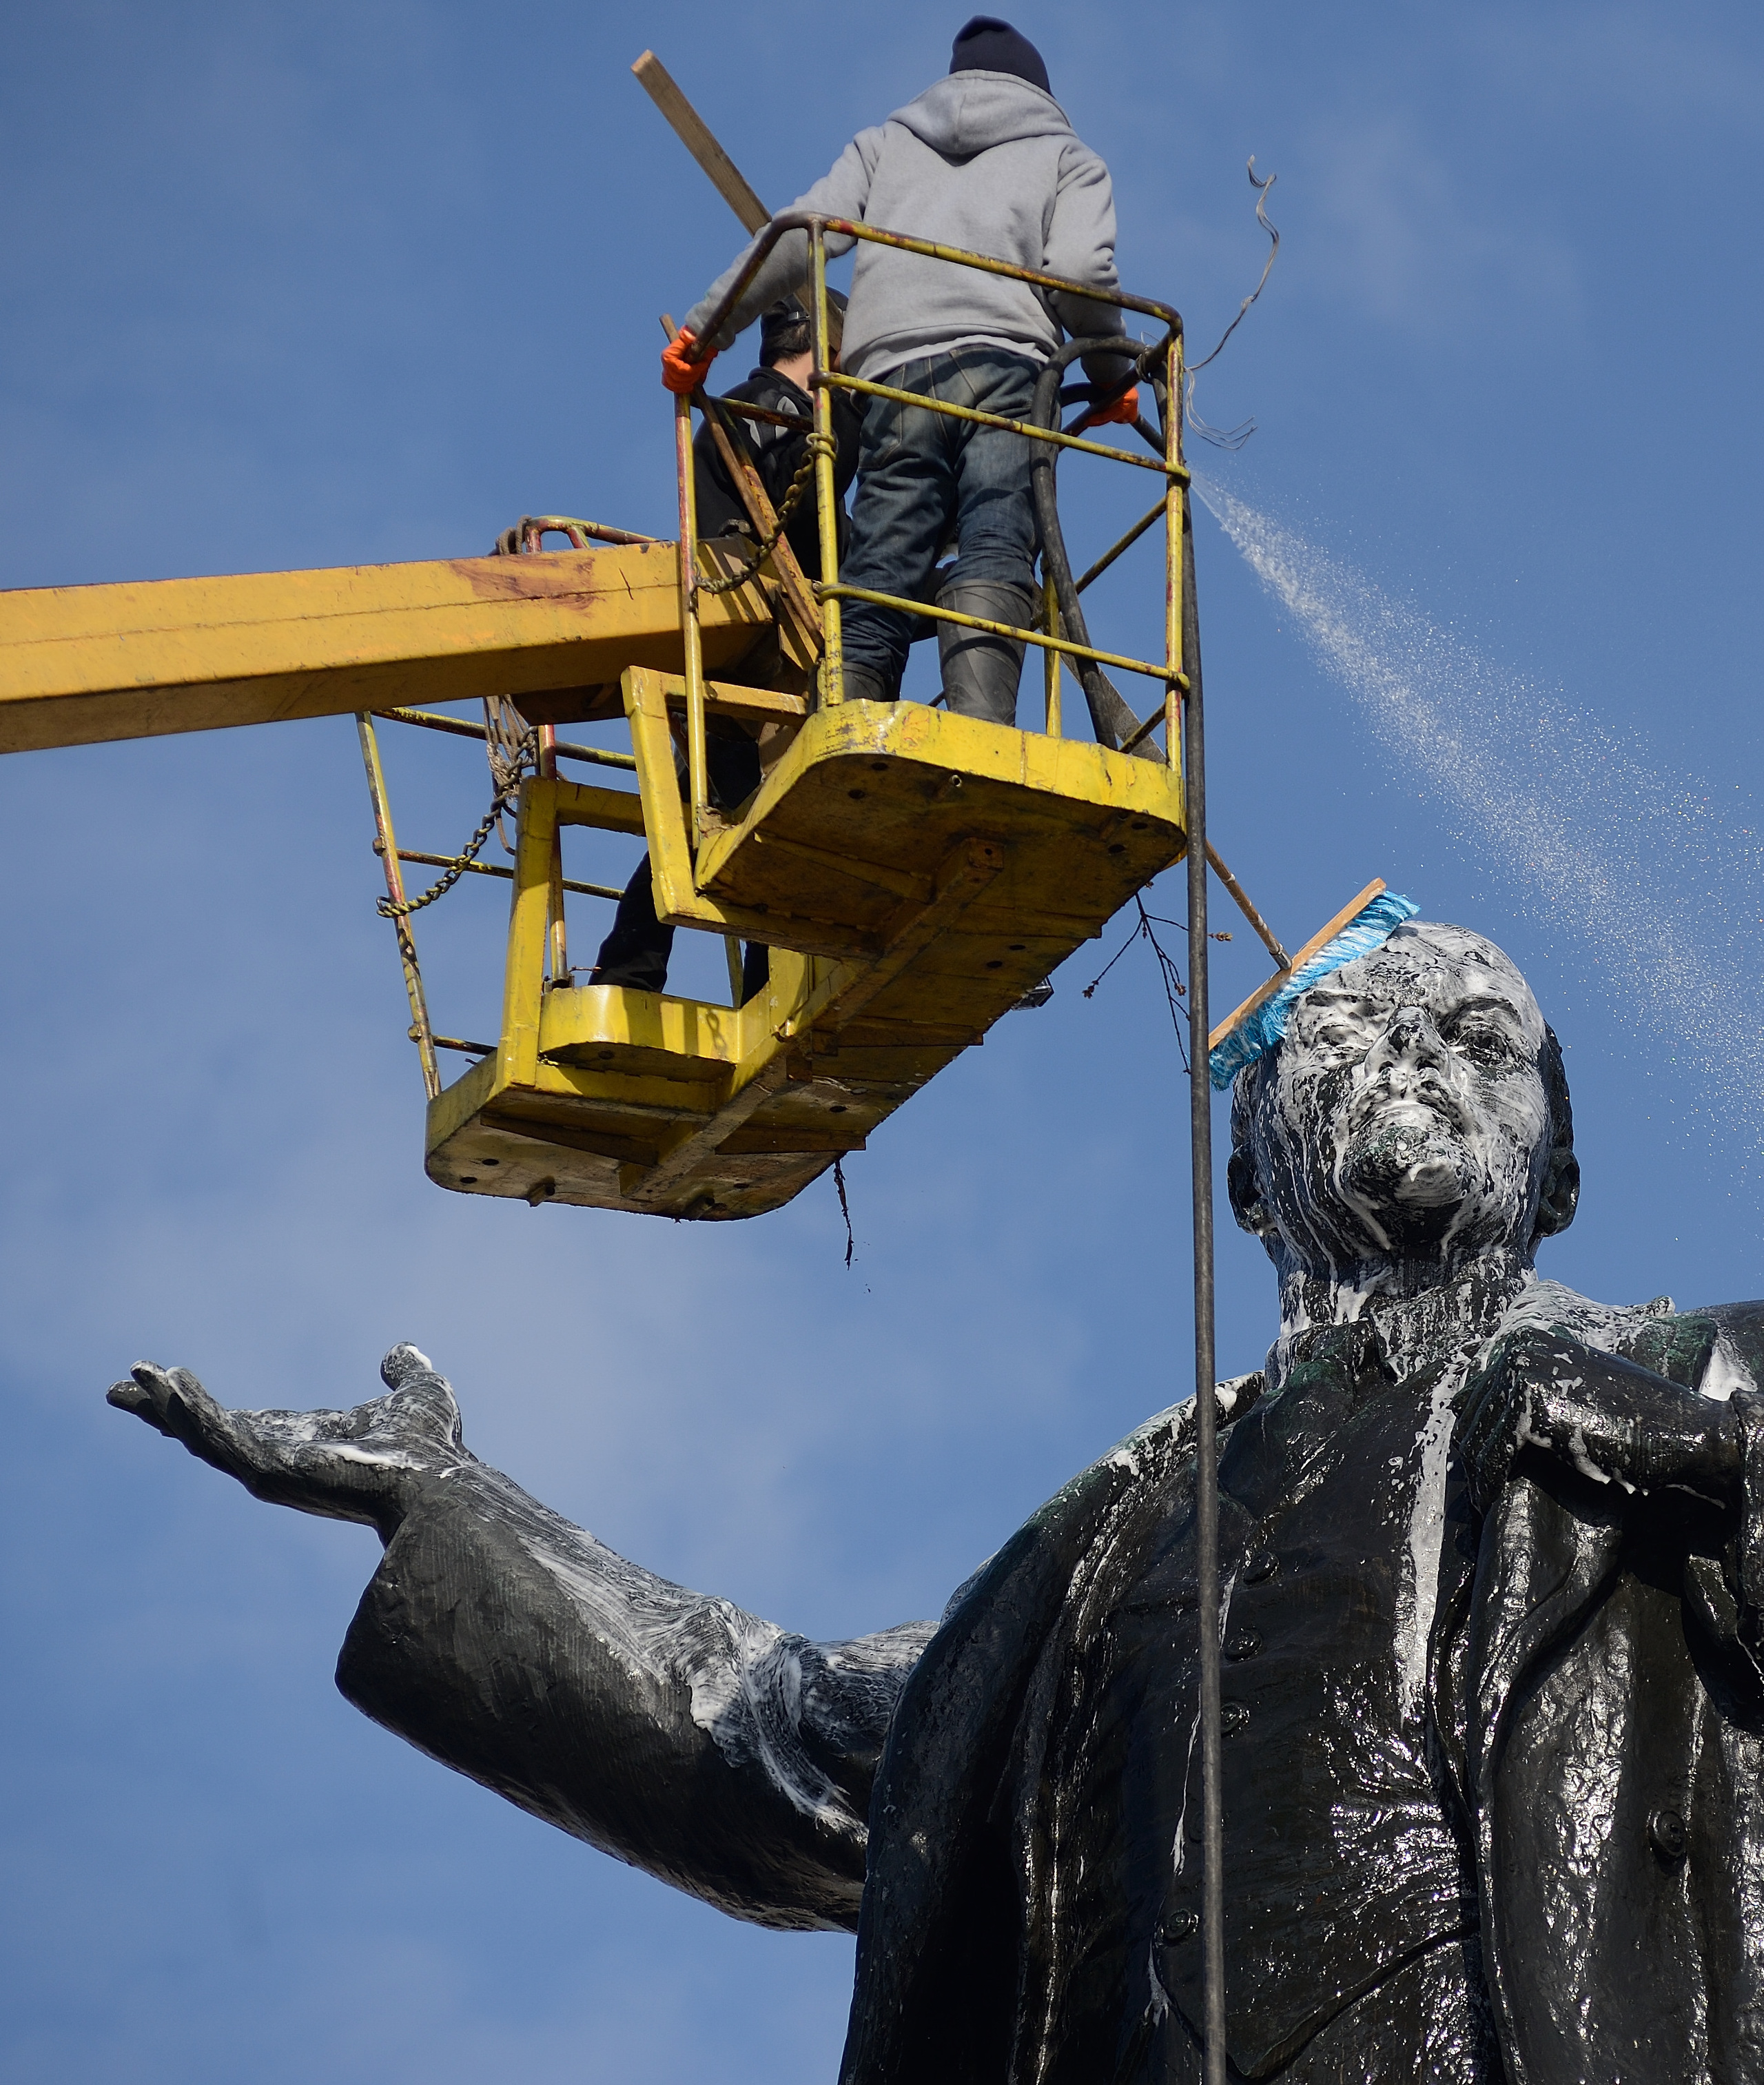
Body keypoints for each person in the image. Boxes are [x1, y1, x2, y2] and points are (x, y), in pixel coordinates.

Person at [110, 917, 1764, 2081]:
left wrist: (1717, 1460)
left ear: (1558, 1170)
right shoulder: (1095, 1551)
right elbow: (781, 1746)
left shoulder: (1715, 1384)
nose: (1408, 1050)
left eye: (1479, 1038)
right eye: (1337, 1031)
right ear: (1248, 1173)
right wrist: (448, 1512)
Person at [662, 17, 1140, 725]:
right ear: (1039, 95)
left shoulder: (886, 145)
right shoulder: (1068, 157)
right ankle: (980, 734)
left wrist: (705, 331)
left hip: (888, 382)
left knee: (881, 565)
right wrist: (1108, 373)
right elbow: (1076, 272)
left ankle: (851, 727)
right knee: (995, 540)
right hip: (1006, 369)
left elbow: (799, 232)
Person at [589, 298, 861, 999]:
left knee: (698, 814)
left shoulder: (738, 413)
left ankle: (631, 971)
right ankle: (768, 989)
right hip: (759, 645)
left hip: (723, 640)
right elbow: (818, 534)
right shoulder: (778, 419)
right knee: (770, 825)